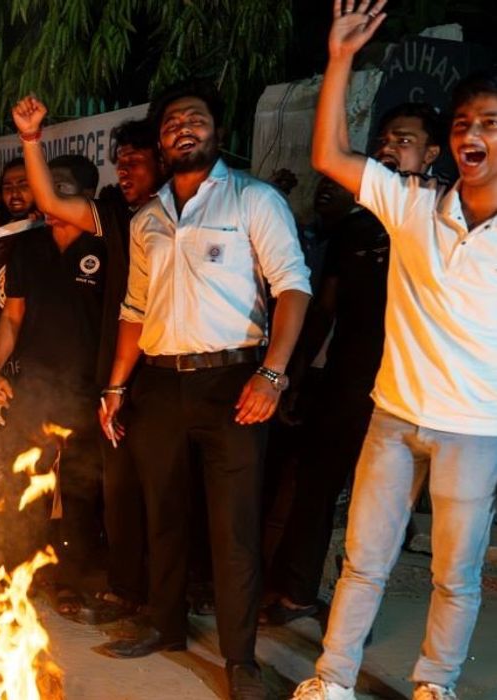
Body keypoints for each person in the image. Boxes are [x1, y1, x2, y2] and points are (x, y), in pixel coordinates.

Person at [290, 3, 497, 699]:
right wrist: (340, 58)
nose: (471, 133)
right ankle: (331, 681)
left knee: (453, 576)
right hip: (392, 419)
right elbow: (328, 156)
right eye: (463, 123)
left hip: (474, 432)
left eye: (489, 125)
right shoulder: (412, 204)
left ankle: (432, 686)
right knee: (362, 562)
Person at [96, 78, 312, 700]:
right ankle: (164, 626)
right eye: (170, 124)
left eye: (194, 118)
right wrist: (115, 387)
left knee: (233, 526)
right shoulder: (147, 218)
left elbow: (291, 288)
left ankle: (240, 658)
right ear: (161, 143)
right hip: (160, 385)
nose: (182, 128)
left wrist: (272, 374)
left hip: (233, 383)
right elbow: (134, 310)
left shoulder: (254, 200)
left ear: (217, 131)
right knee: (163, 513)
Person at [264, 103, 441, 630]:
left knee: (383, 513)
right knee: (316, 489)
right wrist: (296, 378)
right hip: (346, 380)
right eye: (384, 137)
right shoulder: (357, 227)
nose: (389, 146)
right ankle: (295, 595)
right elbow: (326, 308)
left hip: (414, 391)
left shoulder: (448, 216)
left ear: (432, 153)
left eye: (403, 139)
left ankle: (353, 621)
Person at [4, 96, 149, 624]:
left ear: (85, 198)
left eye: (62, 192)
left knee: (83, 492)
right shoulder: (28, 247)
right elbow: (12, 320)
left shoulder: (112, 241)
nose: (49, 201)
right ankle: (23, 572)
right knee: (29, 484)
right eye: (49, 191)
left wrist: (114, 388)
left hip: (91, 391)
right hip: (34, 390)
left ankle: (72, 579)